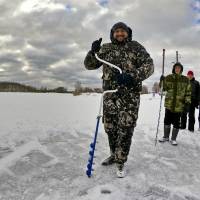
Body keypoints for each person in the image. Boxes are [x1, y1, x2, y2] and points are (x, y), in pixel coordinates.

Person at [84, 22, 154, 177]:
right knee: (110, 128)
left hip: (130, 98)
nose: (120, 34)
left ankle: (121, 162)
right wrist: (92, 51)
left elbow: (149, 65)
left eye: (123, 31)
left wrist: (132, 76)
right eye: (117, 31)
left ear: (128, 33)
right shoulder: (106, 48)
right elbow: (89, 65)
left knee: (125, 129)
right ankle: (114, 155)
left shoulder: (136, 47)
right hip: (110, 96)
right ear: (112, 33)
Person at [159, 62, 191, 145]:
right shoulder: (169, 78)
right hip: (169, 104)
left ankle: (173, 139)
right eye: (176, 68)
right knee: (167, 120)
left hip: (179, 105)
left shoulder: (185, 79)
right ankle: (166, 137)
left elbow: (188, 92)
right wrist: (161, 81)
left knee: (177, 122)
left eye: (179, 68)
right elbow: (164, 88)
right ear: (174, 69)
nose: (177, 69)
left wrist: (187, 102)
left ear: (181, 69)